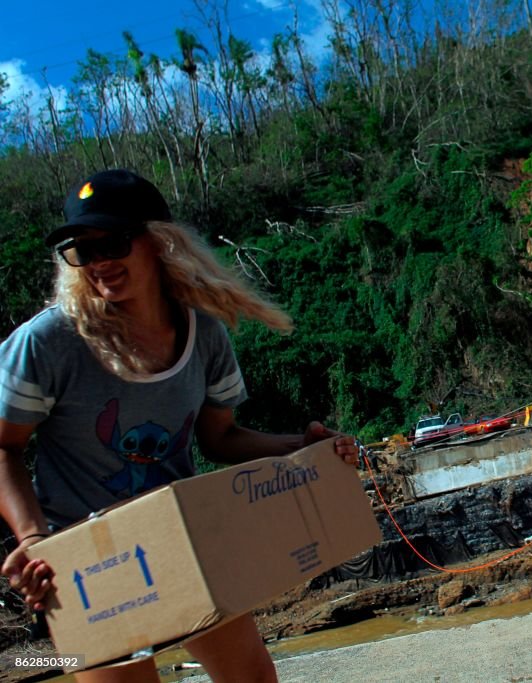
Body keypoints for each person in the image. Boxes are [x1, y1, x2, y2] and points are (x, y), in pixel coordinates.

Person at [0, 169, 361, 682]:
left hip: (182, 542)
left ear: (160, 243)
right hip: (87, 563)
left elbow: (221, 438)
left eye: (114, 242)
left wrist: (302, 448)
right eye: (83, 250)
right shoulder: (49, 342)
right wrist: (33, 538)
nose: (100, 262)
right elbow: (3, 448)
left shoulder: (204, 334)